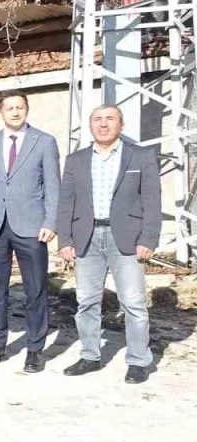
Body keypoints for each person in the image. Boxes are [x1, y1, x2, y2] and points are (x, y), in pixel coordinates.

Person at [57, 105, 162, 384]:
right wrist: (65, 239)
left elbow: (152, 201)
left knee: (133, 303)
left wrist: (148, 239)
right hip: (87, 238)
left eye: (110, 119)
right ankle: (90, 356)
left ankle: (139, 360)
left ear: (121, 125)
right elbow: (66, 202)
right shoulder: (76, 160)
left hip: (126, 239)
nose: (103, 125)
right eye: (97, 120)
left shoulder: (140, 156)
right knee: (86, 302)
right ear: (91, 126)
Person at [0, 92, 61, 373]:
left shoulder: (44, 141)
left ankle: (35, 348)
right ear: (0, 111)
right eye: (9, 108)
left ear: (26, 109)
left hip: (32, 227)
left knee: (35, 289)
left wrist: (50, 222)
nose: (15, 112)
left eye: (19, 107)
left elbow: (53, 186)